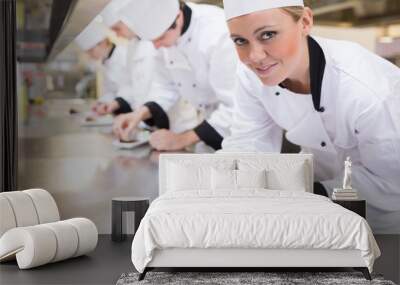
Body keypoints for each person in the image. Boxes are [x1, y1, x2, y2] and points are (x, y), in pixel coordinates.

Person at [221, 0, 400, 233]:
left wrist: (302, 193)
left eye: (268, 34)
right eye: (240, 41)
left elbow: (392, 182)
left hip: (384, 225)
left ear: (305, 22)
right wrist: (223, 184)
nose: (254, 56)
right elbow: (249, 144)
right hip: (316, 217)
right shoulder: (251, 76)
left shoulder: (367, 89)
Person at [112, 0, 238, 151]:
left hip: (237, 132)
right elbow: (165, 86)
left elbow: (235, 105)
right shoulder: (163, 39)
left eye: (160, 38)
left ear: (178, 18)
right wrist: (138, 115)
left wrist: (182, 139)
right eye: (152, 41)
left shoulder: (217, 32)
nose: (156, 46)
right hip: (209, 124)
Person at [75, 17, 133, 116]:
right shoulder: (105, 62)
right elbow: (111, 90)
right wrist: (101, 103)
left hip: (131, 109)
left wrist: (114, 103)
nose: (90, 56)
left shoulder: (124, 54)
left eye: (91, 51)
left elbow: (131, 87)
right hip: (120, 110)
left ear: (102, 43)